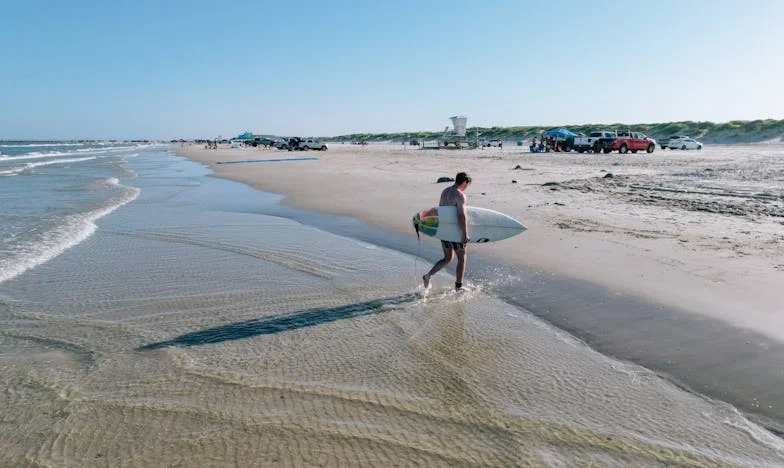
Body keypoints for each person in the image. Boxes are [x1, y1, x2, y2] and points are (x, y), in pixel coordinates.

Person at [423, 172, 472, 290]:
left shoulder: (445, 191)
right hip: (455, 231)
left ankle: (428, 275)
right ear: (464, 182)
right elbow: (461, 216)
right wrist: (465, 234)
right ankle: (458, 287)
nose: (466, 187)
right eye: (467, 184)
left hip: (444, 229)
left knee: (448, 257)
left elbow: (441, 211)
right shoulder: (460, 195)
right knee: (462, 257)